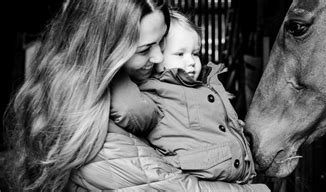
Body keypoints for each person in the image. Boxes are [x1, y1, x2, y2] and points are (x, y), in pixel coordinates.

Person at [4, 0, 269, 191]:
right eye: (144, 49)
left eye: (160, 44)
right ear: (105, 50)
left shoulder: (135, 93)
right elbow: (169, 186)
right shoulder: (87, 124)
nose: (157, 58)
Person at [110, 9, 257, 184]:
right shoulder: (155, 92)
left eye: (195, 53)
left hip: (233, 176)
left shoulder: (203, 87)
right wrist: (114, 75)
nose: (191, 61)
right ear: (157, 57)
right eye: (180, 54)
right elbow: (131, 110)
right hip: (197, 179)